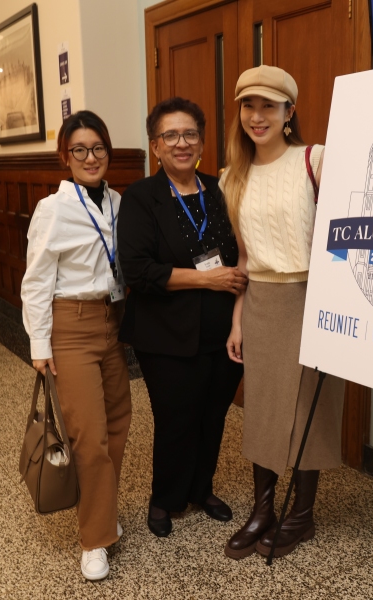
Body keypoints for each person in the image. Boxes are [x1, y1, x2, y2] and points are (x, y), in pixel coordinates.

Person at [222, 66, 344, 560]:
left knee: (308, 406)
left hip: (312, 295)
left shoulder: (316, 160)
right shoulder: (233, 176)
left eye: (269, 106)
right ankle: (263, 510)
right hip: (262, 301)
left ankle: (302, 516)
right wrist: (237, 317)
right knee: (264, 409)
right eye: (249, 106)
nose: (257, 116)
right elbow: (245, 258)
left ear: (289, 113)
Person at [118, 98, 247, 538]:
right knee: (175, 418)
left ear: (202, 142)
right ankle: (165, 498)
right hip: (165, 333)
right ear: (155, 146)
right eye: (170, 135)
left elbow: (240, 255)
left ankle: (201, 489)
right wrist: (205, 281)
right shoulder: (140, 197)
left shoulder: (221, 189)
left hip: (223, 329)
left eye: (189, 134)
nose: (181, 143)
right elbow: (138, 271)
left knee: (213, 415)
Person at [20, 110, 132, 581]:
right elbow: (36, 281)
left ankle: (101, 510)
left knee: (119, 423)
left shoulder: (118, 202)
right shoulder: (54, 208)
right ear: (65, 157)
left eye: (99, 148)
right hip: (70, 325)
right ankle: (94, 540)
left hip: (111, 321)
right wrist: (40, 346)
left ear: (109, 152)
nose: (91, 157)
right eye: (80, 150)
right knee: (88, 435)